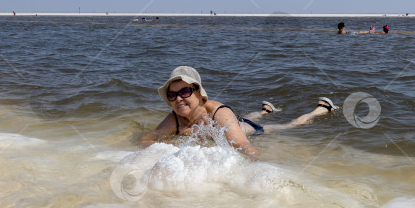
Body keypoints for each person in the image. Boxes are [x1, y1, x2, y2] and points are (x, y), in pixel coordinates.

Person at [141, 66, 337, 157]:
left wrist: (260, 169)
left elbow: (245, 146)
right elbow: (145, 140)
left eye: (184, 92)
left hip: (247, 129)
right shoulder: (175, 118)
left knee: (288, 125)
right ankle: (265, 109)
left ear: (199, 93)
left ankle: (321, 109)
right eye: (172, 95)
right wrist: (167, 146)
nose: (179, 99)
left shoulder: (219, 114)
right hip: (233, 122)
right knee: (239, 120)